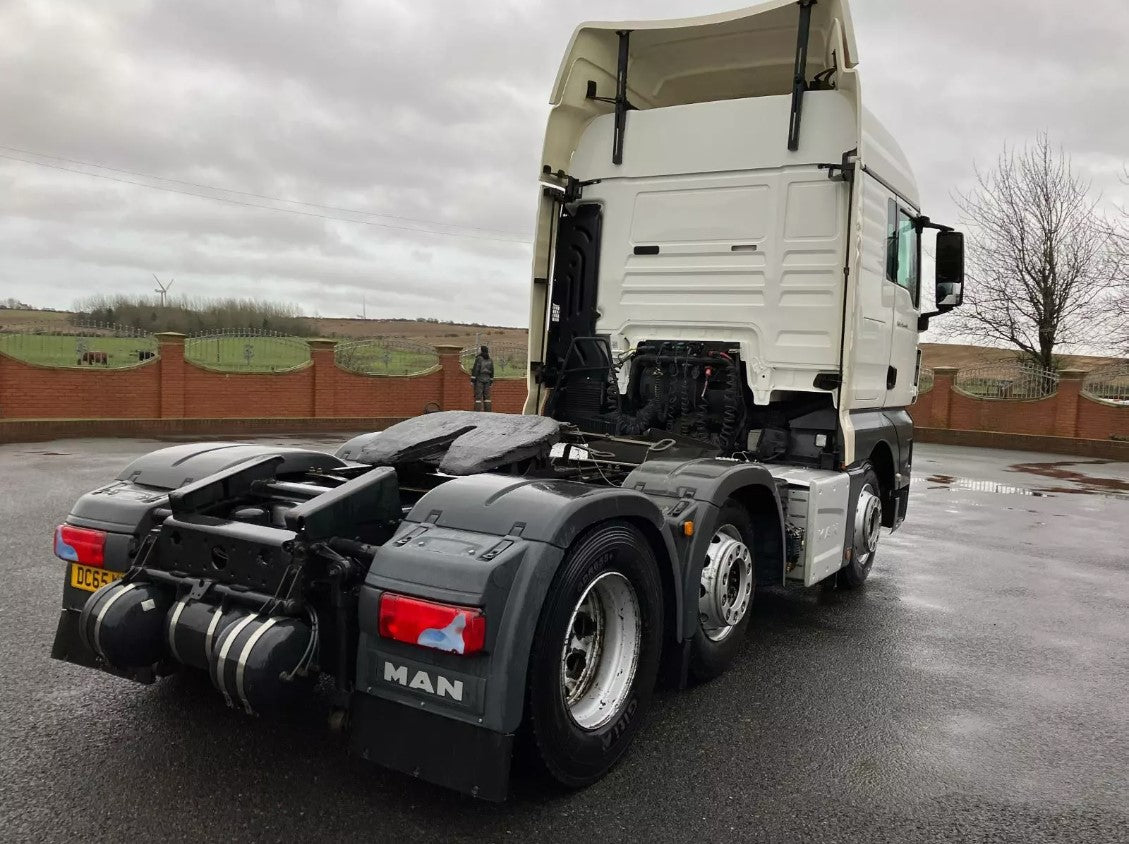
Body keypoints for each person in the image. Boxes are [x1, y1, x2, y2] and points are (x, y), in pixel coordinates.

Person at [471, 345, 494, 412]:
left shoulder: (479, 359)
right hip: (487, 379)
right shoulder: (490, 359)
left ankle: (477, 412)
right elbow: (492, 370)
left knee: (478, 396)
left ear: (481, 350)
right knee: (487, 397)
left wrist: (472, 380)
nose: (478, 350)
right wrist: (491, 381)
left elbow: (476, 369)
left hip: (479, 379)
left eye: (479, 349)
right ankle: (488, 411)